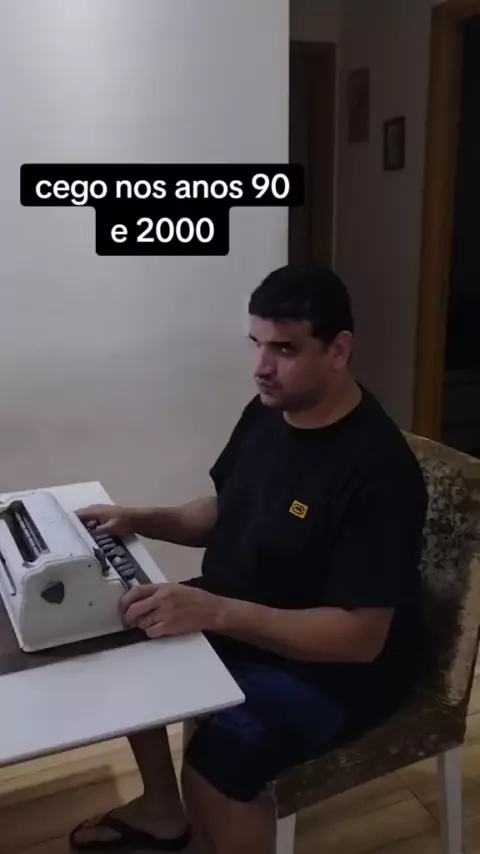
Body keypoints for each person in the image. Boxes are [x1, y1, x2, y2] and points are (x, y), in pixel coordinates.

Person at [70, 265, 428, 854]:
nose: (261, 366)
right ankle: (162, 812)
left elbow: (360, 639)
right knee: (129, 630)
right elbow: (226, 509)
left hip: (336, 671)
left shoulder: (378, 471)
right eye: (256, 343)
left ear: (338, 351)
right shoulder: (267, 411)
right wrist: (140, 518)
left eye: (284, 349)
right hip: (247, 612)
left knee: (219, 766)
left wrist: (215, 611)